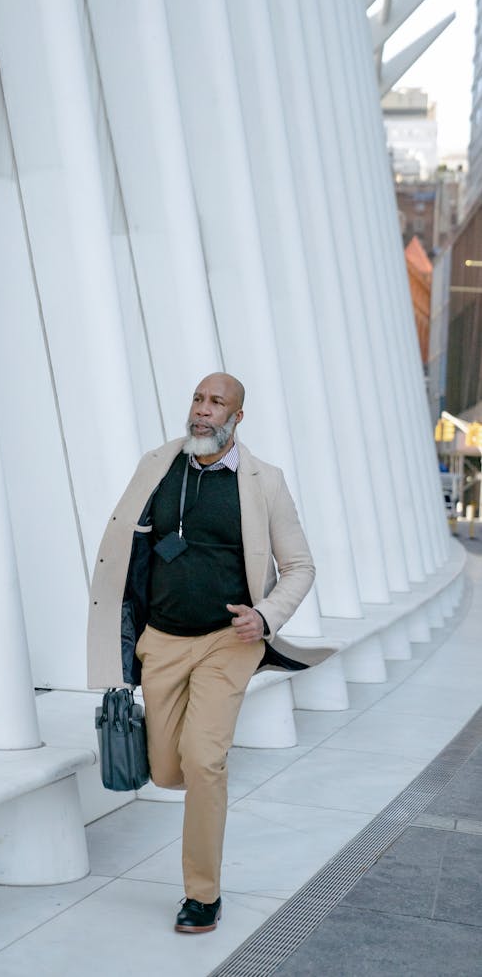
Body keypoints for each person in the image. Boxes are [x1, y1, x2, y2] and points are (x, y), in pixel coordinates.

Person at [88, 372, 331, 933]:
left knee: (203, 759)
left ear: (237, 417)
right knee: (170, 768)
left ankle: (202, 895)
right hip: (163, 642)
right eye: (197, 399)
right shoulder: (158, 466)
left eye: (216, 402)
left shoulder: (263, 482)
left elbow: (300, 566)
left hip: (229, 641)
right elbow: (125, 546)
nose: (202, 410)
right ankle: (195, 785)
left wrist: (266, 615)